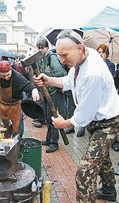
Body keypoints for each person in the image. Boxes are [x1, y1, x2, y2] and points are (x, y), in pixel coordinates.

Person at [33, 30, 119, 202]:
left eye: (64, 55)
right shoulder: (83, 58)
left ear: (80, 48)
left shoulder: (93, 72)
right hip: (96, 119)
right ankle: (109, 191)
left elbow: (84, 113)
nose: (62, 60)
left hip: (108, 122)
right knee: (101, 159)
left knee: (85, 172)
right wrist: (49, 80)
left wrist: (64, 123)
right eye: (59, 55)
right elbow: (68, 81)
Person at [0, 60, 40, 137]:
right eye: (3, 76)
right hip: (2, 104)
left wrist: (34, 91)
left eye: (8, 75)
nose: (6, 77)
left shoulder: (17, 77)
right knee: (2, 127)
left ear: (10, 70)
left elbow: (28, 85)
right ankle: (4, 142)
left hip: (15, 106)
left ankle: (17, 143)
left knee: (17, 129)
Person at [36, 37, 67, 153]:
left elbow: (60, 72)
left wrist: (51, 79)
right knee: (47, 118)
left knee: (53, 117)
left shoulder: (51, 57)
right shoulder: (41, 59)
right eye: (38, 48)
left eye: (42, 47)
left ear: (47, 47)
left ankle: (54, 142)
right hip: (46, 92)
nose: (40, 50)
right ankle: (49, 139)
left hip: (53, 92)